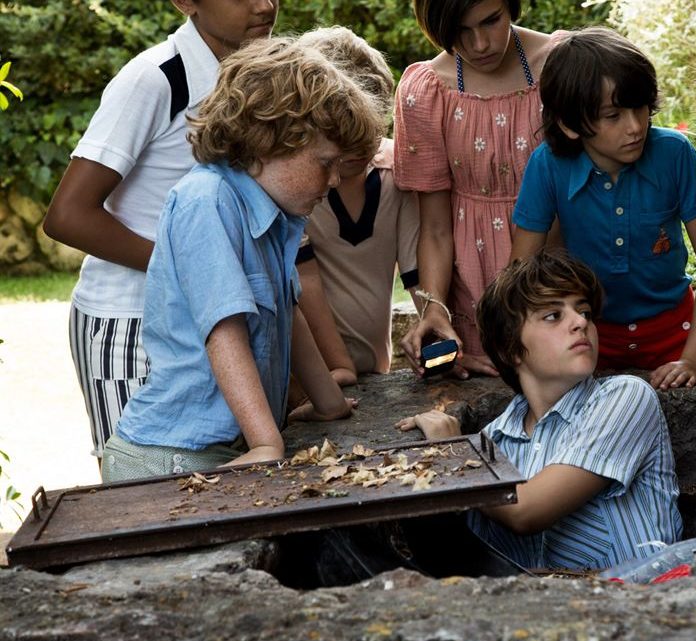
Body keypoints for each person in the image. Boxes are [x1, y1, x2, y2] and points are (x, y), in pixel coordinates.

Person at [100, 38, 382, 481]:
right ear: (270, 141)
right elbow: (224, 331)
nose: (333, 181)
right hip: (172, 456)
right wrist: (266, 443)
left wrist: (328, 402)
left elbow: (288, 314)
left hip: (225, 448)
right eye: (325, 163)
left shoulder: (275, 213)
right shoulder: (207, 200)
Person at [42, 0, 279, 469]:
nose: (265, 4)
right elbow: (67, 215)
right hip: (128, 324)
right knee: (140, 489)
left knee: (214, 484)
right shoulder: (155, 79)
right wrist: (192, 272)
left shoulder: (261, 77)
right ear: (185, 2)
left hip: (213, 321)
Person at [396, 250, 683, 571]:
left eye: (585, 311)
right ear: (510, 349)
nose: (580, 322)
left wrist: (454, 452)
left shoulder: (626, 398)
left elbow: (525, 512)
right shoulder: (494, 441)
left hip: (641, 597)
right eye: (553, 316)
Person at [510, 27, 696, 390]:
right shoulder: (547, 165)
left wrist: (693, 356)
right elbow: (521, 273)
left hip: (676, 333)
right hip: (587, 336)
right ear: (570, 124)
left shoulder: (675, 155)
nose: (635, 127)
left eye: (639, 107)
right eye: (613, 116)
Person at [393, 0, 558, 378]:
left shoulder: (559, 65)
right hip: (475, 290)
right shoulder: (426, 91)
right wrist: (434, 310)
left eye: (491, 21)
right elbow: (435, 228)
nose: (480, 44)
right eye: (461, 31)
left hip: (558, 276)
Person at [292, 27, 422, 378]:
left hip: (375, 371)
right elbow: (305, 281)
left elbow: (416, 271)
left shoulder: (398, 170)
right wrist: (340, 368)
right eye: (344, 136)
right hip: (310, 378)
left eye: (373, 130)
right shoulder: (294, 184)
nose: (361, 147)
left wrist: (434, 324)